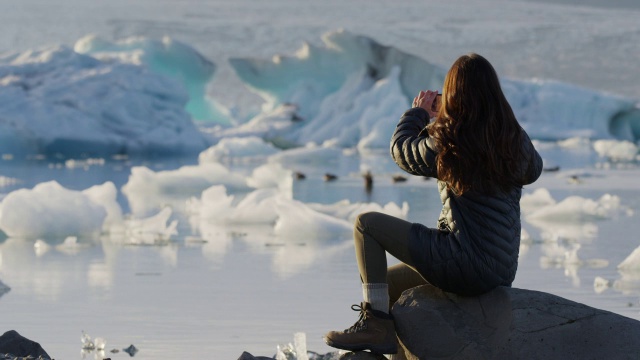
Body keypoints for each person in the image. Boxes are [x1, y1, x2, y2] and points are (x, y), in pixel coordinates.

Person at [323, 53, 543, 355]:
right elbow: (533, 169)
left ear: (453, 94)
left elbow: (402, 151)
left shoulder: (452, 138)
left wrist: (419, 114)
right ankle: (395, 347)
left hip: (464, 262)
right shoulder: (514, 140)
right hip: (500, 271)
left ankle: (375, 327)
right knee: (387, 283)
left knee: (366, 225)